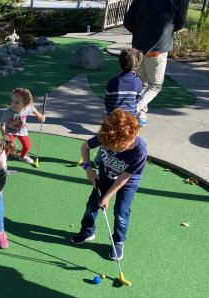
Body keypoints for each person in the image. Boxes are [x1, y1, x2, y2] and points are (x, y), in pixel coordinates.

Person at [71, 109, 147, 260]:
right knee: (92, 205)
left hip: (127, 182)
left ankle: (118, 241)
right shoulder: (107, 136)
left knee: (121, 212)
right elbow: (84, 147)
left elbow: (124, 177)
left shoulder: (140, 151)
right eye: (109, 147)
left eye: (115, 149)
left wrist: (107, 196)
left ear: (130, 139)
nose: (111, 150)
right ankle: (88, 231)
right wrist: (89, 171)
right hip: (105, 175)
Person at [124, 0, 189, 125]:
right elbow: (180, 22)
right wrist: (163, 32)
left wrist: (141, 33)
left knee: (140, 83)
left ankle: (141, 114)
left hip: (138, 46)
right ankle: (131, 112)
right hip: (159, 48)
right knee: (155, 85)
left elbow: (128, 21)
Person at [0, 88, 45, 166]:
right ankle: (2, 161)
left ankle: (22, 156)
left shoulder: (28, 108)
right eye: (12, 101)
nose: (13, 104)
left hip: (22, 130)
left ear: (25, 104)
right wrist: (4, 135)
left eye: (17, 102)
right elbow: (2, 125)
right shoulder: (8, 112)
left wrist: (40, 116)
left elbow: (33, 109)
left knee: (27, 146)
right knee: (8, 146)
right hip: (9, 130)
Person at [105, 48, 145, 123]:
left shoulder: (112, 82)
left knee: (109, 131)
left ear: (120, 64)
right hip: (130, 117)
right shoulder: (138, 82)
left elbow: (107, 101)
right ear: (137, 66)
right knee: (131, 133)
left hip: (113, 117)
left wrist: (110, 112)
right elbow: (138, 99)